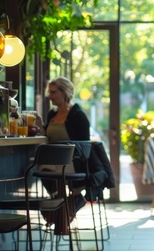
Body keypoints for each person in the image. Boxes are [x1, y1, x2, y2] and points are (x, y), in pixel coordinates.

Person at [36, 76, 89, 213]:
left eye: (53, 92)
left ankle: (58, 209)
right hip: (54, 161)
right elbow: (48, 137)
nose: (50, 96)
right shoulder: (51, 115)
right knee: (42, 169)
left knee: (44, 170)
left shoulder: (77, 115)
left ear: (64, 92)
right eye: (49, 92)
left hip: (72, 162)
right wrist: (40, 127)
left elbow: (85, 147)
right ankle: (65, 206)